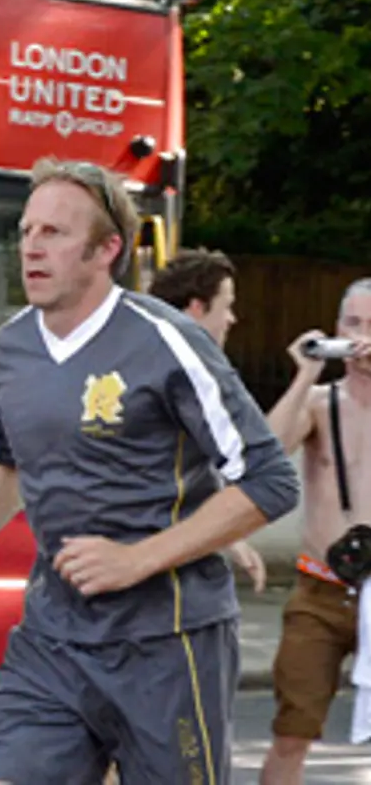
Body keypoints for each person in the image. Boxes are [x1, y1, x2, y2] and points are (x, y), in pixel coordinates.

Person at [0, 158, 300, 784]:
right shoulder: (9, 350)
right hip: (52, 638)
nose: (31, 249)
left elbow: (268, 480)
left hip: (168, 642)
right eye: (25, 231)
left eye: (55, 233)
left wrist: (138, 559)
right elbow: (10, 463)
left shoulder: (167, 341)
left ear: (107, 250)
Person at [259, 279, 371, 783]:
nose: (362, 337)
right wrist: (304, 375)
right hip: (320, 590)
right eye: (353, 324)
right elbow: (265, 453)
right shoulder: (320, 403)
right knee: (292, 732)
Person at [149, 246, 268, 592]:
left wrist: (228, 538)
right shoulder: (189, 377)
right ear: (197, 308)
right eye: (227, 306)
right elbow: (267, 475)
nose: (232, 319)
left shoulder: (134, 358)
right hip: (158, 569)